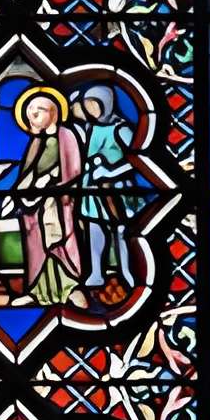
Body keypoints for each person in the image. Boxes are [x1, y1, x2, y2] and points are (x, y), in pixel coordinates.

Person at [8, 86, 86, 307]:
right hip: (34, 208)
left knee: (59, 243)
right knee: (37, 248)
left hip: (58, 205)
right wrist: (24, 192)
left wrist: (52, 185)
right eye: (30, 110)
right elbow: (27, 174)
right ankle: (38, 292)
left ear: (54, 112)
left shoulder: (66, 135)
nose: (32, 114)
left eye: (39, 109)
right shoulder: (35, 143)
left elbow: (74, 170)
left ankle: (70, 287)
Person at [74, 87, 143, 293]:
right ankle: (96, 273)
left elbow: (138, 161)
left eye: (95, 104)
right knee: (94, 230)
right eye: (88, 105)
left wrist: (110, 173)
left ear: (107, 103)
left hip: (117, 190)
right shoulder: (90, 128)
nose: (91, 109)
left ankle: (127, 273)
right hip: (91, 188)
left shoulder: (120, 129)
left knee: (121, 230)